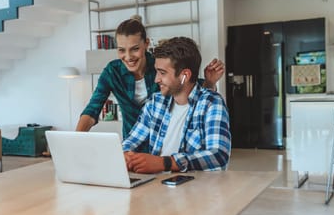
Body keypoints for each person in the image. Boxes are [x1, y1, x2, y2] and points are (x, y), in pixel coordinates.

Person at [76, 18, 225, 148]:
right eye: (122, 50)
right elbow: (92, 109)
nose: (128, 57)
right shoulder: (112, 72)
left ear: (146, 44)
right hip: (133, 142)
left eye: (135, 49)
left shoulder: (160, 65)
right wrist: (75, 140)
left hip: (163, 143)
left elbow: (191, 87)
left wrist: (210, 82)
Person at [122, 36, 231, 173]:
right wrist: (125, 155)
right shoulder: (155, 103)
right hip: (157, 185)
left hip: (195, 189)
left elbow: (218, 155)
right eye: (157, 71)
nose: (156, 79)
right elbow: (131, 141)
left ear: (184, 75)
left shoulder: (212, 103)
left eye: (162, 73)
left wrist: (166, 163)